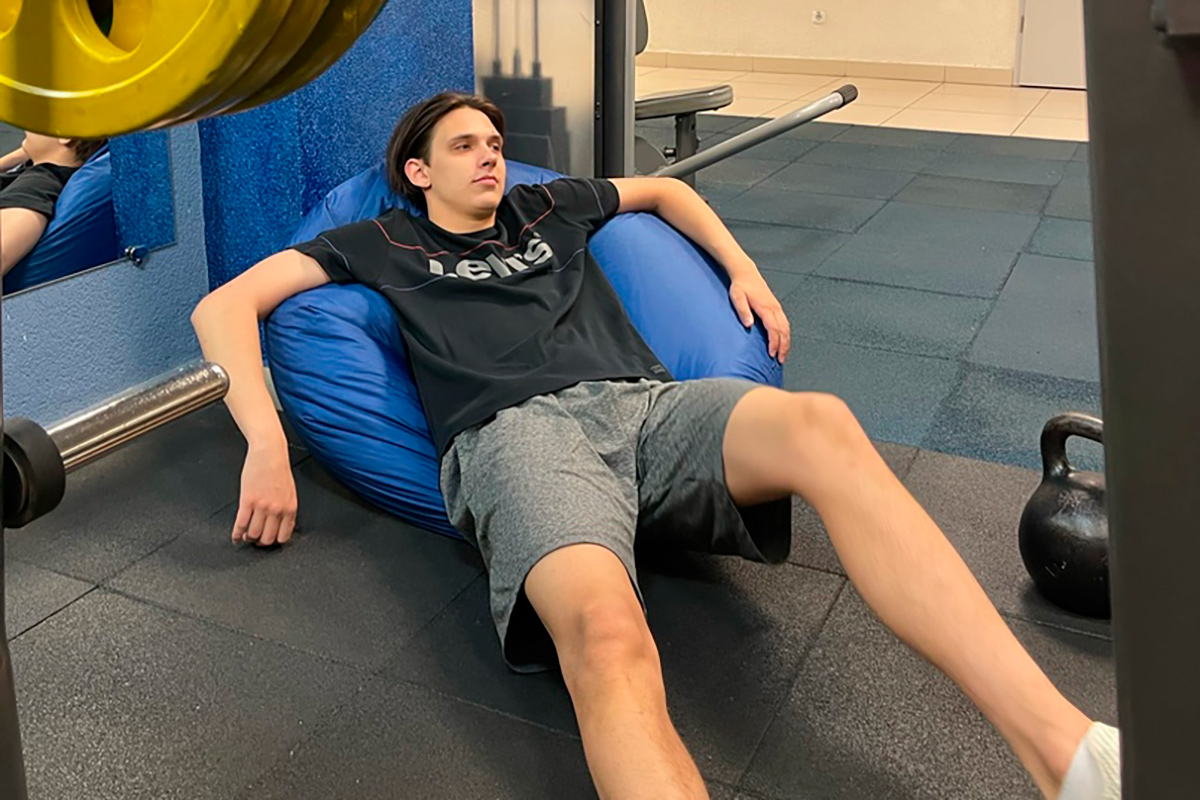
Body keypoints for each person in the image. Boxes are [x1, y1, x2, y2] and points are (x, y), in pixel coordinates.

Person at [190, 92, 1120, 800]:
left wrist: (746, 273)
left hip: (648, 408)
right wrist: (266, 443)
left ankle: (1068, 753)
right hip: (517, 440)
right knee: (607, 638)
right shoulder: (377, 241)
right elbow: (224, 306)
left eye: (495, 143)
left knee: (824, 423)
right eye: (464, 145)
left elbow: (668, 189)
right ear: (419, 172)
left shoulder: (548, 207)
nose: (490, 156)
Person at [0, 132, 107, 275]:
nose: (27, 127)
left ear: (65, 136)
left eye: (38, 122)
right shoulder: (49, 164)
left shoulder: (36, 185)